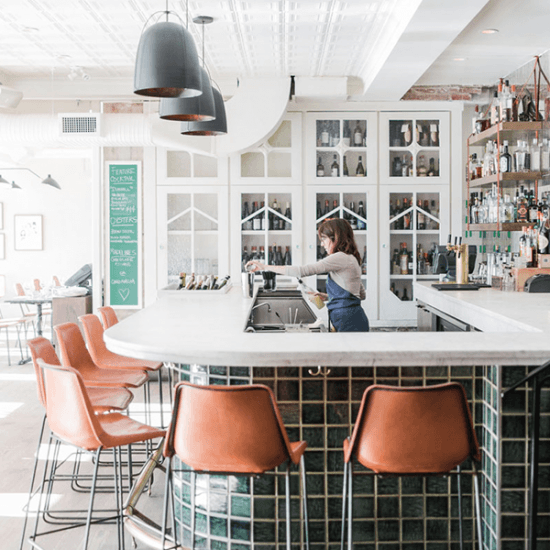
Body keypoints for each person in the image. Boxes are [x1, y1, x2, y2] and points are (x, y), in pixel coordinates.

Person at [246, 218, 369, 332]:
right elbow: (360, 295)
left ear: (336, 238)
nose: (322, 244)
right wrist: (328, 296)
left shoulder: (339, 258)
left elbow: (302, 271)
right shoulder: (351, 258)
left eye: (324, 239)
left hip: (347, 321)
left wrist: (265, 267)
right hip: (352, 318)